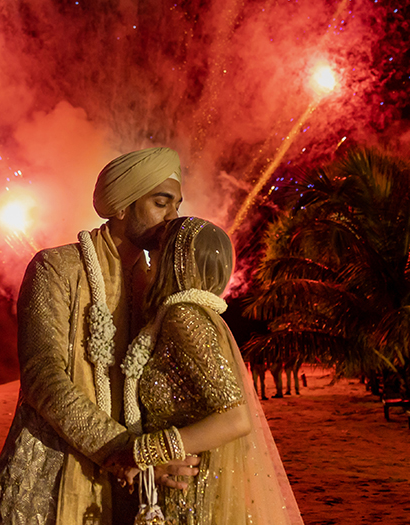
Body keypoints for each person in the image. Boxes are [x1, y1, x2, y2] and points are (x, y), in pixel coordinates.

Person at [0, 147, 197, 525]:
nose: (173, 218)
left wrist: (160, 452)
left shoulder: (157, 286)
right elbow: (43, 378)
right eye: (161, 203)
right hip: (58, 468)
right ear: (123, 206)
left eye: (176, 205)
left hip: (141, 481)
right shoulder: (56, 268)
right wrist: (126, 452)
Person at [117, 217, 304, 525]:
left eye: (158, 252)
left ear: (175, 263)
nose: (148, 261)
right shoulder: (179, 316)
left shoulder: (184, 316)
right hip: (182, 485)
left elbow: (236, 418)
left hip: (193, 491)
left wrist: (145, 451)